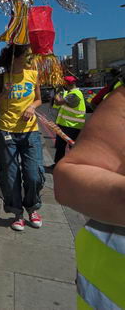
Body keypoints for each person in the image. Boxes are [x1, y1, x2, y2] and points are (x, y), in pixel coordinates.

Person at [53, 87, 125, 308]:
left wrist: (60, 99)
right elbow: (69, 179)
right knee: (59, 152)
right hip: (106, 294)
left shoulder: (73, 93)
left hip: (71, 128)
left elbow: (70, 103)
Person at [0, 44, 45, 231]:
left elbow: (38, 99)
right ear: (15, 58)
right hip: (6, 132)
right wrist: (4, 92)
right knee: (10, 175)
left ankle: (32, 207)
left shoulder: (32, 74)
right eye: (26, 55)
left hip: (30, 132)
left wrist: (32, 107)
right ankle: (17, 213)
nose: (29, 58)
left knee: (33, 174)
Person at [51, 75, 85, 165]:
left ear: (67, 84)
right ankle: (57, 164)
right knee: (60, 146)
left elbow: (58, 102)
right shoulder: (69, 93)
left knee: (71, 147)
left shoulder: (75, 94)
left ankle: (75, 165)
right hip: (65, 125)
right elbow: (58, 105)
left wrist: (57, 92)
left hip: (72, 126)